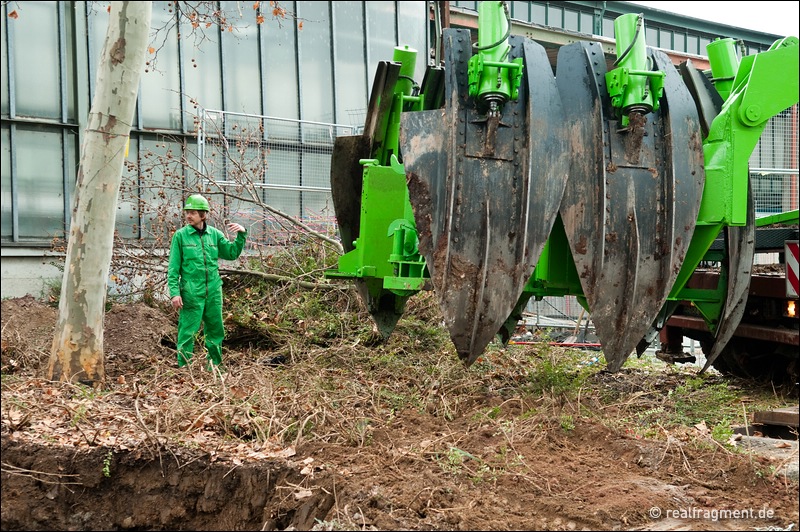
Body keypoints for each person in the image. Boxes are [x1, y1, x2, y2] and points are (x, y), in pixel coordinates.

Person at [167, 194, 247, 368]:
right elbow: (173, 268)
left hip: (213, 290)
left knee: (215, 330)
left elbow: (231, 253)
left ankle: (215, 367)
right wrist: (174, 293)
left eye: (193, 213)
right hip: (191, 291)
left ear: (203, 215)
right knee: (187, 331)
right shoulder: (180, 236)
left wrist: (241, 235)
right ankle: (184, 369)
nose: (188, 216)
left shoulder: (215, 235)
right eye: (187, 212)